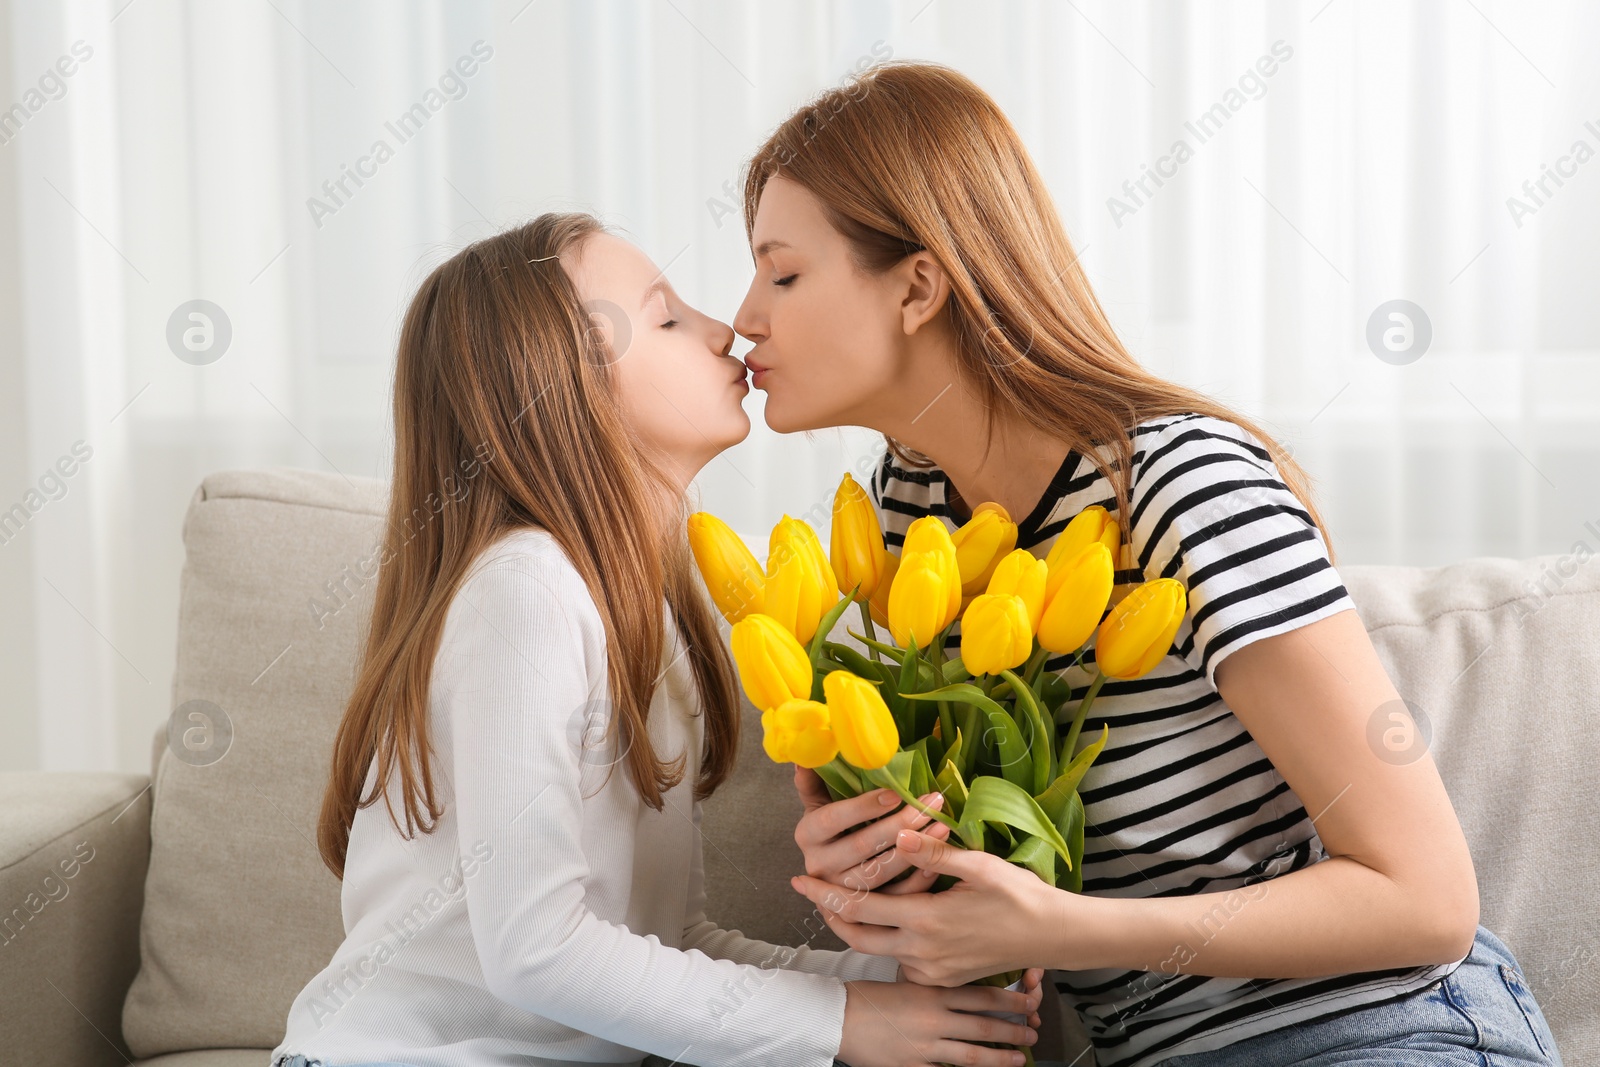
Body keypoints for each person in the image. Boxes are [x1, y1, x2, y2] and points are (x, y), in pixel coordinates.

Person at [730, 60, 1566, 1067]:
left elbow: (1425, 898)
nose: (745, 315)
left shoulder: (1177, 483)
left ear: (917, 287)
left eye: (782, 273)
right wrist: (889, 870)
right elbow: (1013, 863)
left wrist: (1055, 925)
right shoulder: (911, 510)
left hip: (1373, 1026)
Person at [268, 213, 1044, 1067]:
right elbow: (538, 949)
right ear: (562, 390)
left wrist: (895, 982)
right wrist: (844, 1022)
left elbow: (670, 941)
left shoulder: (653, 610)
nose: (727, 330)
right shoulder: (527, 589)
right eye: (668, 317)